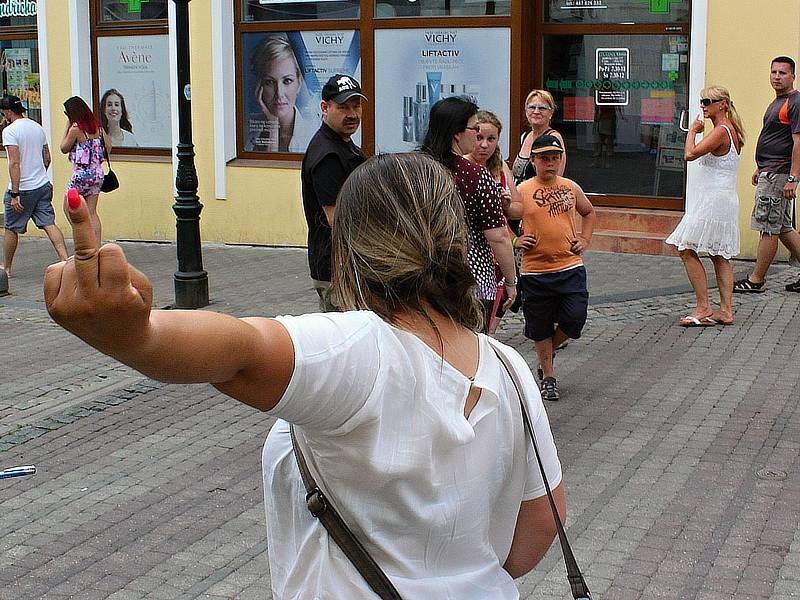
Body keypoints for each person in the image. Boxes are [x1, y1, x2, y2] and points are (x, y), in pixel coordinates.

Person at [46, 152, 565, 599]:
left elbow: (242, 350)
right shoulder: (509, 365)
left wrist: (137, 336)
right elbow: (542, 523)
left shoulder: (365, 349)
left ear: (353, 248)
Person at [421, 97, 518, 331]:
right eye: (474, 129)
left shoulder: (416, 168)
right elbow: (498, 236)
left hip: (424, 276)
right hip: (471, 279)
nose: (477, 136)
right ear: (456, 133)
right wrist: (511, 281)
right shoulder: (474, 175)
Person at [516, 135, 596, 402]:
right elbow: (500, 218)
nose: (549, 163)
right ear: (534, 160)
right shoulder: (522, 190)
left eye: (554, 158)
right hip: (535, 271)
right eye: (544, 158)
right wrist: (516, 239)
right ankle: (548, 376)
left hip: (569, 266)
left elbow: (589, 212)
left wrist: (584, 240)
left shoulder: (570, 187)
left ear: (560, 160)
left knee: (575, 319)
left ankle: (547, 350)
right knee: (539, 326)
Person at [666, 86, 745, 326]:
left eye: (708, 101)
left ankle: (703, 306)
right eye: (702, 101)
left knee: (686, 248)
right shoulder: (732, 130)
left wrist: (692, 131)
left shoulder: (722, 130)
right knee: (718, 254)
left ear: (722, 104)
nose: (703, 105)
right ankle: (726, 310)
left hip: (714, 200)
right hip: (723, 198)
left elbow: (690, 154)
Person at [733, 56, 800, 293]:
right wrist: (761, 167)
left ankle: (756, 280)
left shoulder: (794, 102)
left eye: (782, 73)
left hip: (779, 175)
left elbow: (798, 142)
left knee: (769, 227)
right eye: (774, 72)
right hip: (771, 171)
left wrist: (793, 177)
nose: (777, 77)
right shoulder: (778, 101)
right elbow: (776, 138)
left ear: (793, 76)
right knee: (782, 227)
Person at [301, 74, 366, 311]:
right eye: (343, 107)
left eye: (356, 106)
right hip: (338, 268)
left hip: (346, 265)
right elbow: (336, 218)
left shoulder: (342, 144)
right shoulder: (328, 155)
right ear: (325, 108)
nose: (352, 114)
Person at [464, 109, 522, 333]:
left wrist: (506, 205)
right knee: (479, 323)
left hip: (500, 256)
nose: (484, 145)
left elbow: (519, 209)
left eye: (491, 139)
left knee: (490, 321)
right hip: (476, 256)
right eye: (479, 138)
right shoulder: (463, 168)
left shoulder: (500, 168)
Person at [1, 95, 68, 277]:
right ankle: (65, 260)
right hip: (42, 185)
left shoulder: (10, 131)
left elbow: (14, 163)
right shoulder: (37, 127)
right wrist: (41, 175)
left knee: (11, 228)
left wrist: (15, 193)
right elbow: (47, 157)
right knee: (48, 223)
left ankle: (6, 268)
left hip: (23, 188)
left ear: (8, 112)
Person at [248, 34, 316, 153]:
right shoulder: (250, 132)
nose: (279, 93)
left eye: (287, 81)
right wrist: (273, 125)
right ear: (260, 86)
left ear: (299, 83)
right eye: (269, 82)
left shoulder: (313, 134)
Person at [60, 96, 112, 244]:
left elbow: (63, 148)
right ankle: (96, 244)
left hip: (81, 175)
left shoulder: (76, 129)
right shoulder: (98, 128)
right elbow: (109, 147)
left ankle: (83, 234)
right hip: (97, 174)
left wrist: (67, 127)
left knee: (68, 207)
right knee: (92, 211)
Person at [511, 90, 566, 185]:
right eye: (532, 107)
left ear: (551, 112)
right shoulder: (525, 136)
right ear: (526, 110)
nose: (536, 112)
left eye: (542, 108)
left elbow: (556, 179)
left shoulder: (553, 138)